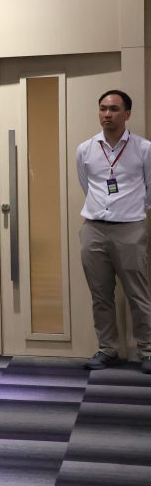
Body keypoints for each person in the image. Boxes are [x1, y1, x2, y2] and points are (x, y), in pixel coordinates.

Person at [76, 90, 151, 375]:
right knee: (100, 294)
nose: (107, 114)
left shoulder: (144, 149)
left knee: (137, 293)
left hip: (130, 229)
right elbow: (86, 185)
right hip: (93, 228)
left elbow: (149, 189)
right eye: (103, 109)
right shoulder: (85, 149)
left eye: (114, 109)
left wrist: (128, 211)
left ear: (127, 114)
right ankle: (108, 348)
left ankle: (148, 349)